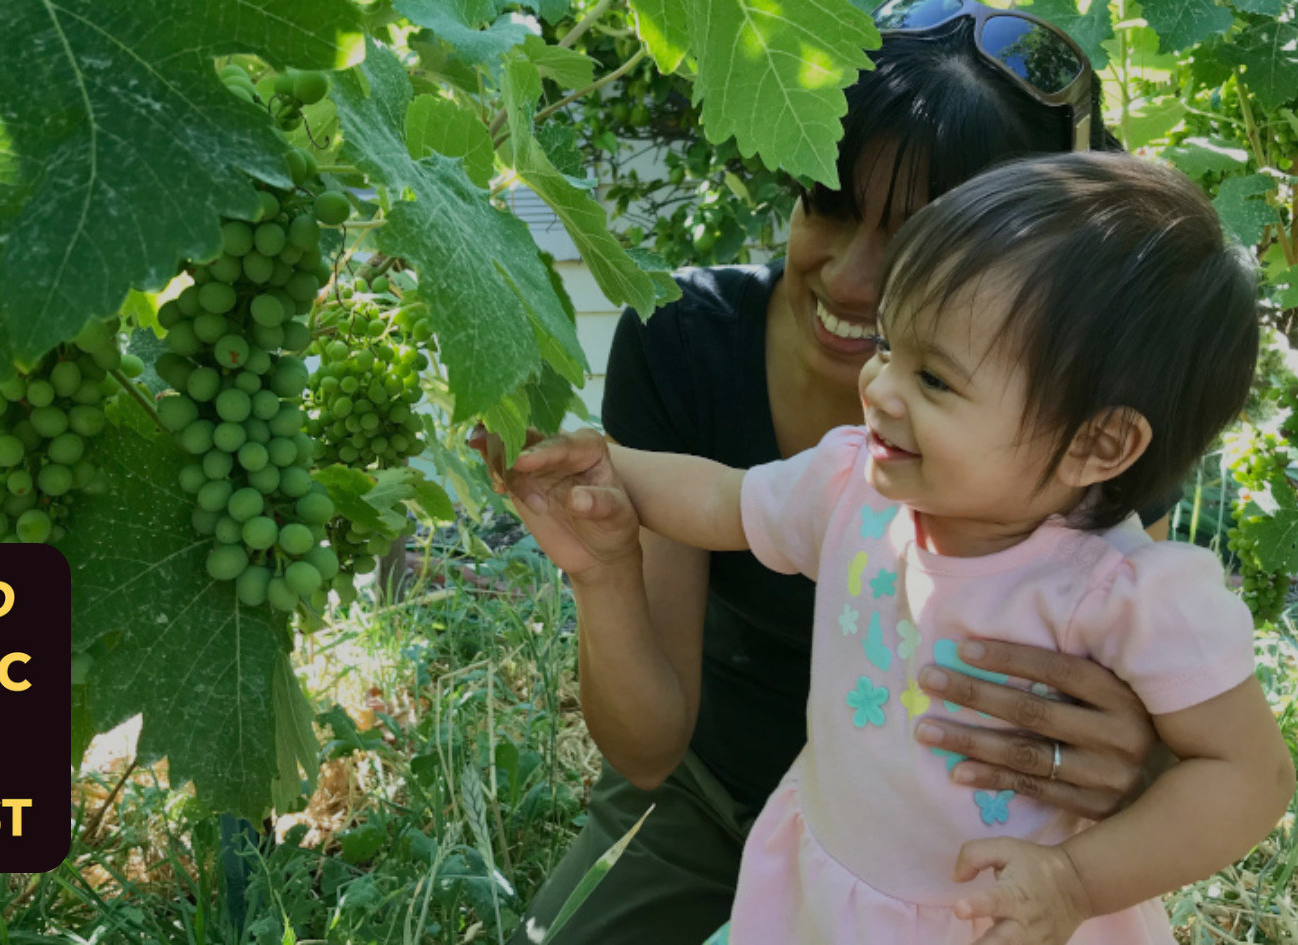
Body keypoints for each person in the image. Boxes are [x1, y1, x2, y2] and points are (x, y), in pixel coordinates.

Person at [481, 4, 1190, 943]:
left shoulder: (1084, 440)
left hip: (959, 857)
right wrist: (603, 565)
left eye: (922, 243)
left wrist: (1132, 756)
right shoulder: (687, 346)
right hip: (715, 796)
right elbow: (649, 752)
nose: (853, 279)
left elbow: (1190, 742)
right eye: (827, 202)